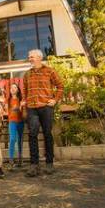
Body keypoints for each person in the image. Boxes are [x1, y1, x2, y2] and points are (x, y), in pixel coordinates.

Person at [22, 49, 64, 177]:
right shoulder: (27, 74)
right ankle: (34, 165)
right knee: (32, 134)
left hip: (46, 107)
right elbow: (24, 90)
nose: (30, 59)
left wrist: (55, 100)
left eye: (32, 57)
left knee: (47, 134)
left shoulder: (49, 71)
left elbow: (60, 86)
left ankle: (49, 163)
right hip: (32, 108)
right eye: (29, 57)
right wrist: (25, 102)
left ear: (39, 57)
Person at [6, 83, 25, 169]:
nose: (13, 89)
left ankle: (20, 158)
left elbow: (22, 111)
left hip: (21, 121)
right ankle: (11, 160)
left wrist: (21, 106)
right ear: (10, 90)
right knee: (13, 139)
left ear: (18, 90)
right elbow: (7, 111)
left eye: (15, 87)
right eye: (11, 87)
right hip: (12, 122)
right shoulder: (8, 100)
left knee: (20, 140)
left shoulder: (21, 99)